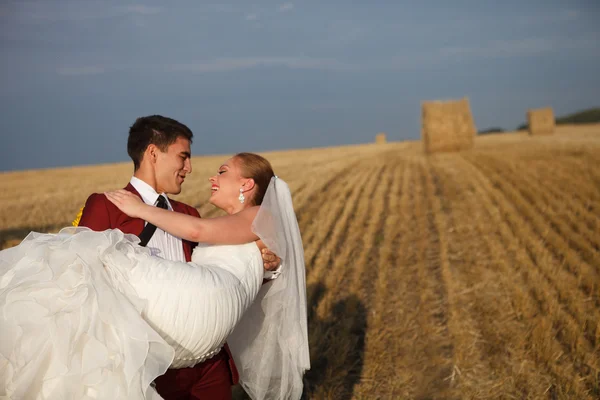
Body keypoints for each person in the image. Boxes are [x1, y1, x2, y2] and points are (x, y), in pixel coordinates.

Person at [0, 152, 310, 399]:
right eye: (183, 157)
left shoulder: (245, 217)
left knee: (95, 259)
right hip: (177, 341)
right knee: (86, 273)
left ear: (246, 185)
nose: (209, 176)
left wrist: (139, 209)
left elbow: (196, 231)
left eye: (223, 171)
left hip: (205, 333)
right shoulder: (106, 204)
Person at [76, 115, 282, 399]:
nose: (189, 168)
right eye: (183, 157)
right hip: (147, 366)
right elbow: (83, 277)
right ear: (152, 153)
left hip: (207, 366)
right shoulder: (107, 205)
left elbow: (215, 278)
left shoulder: (188, 215)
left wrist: (261, 266)